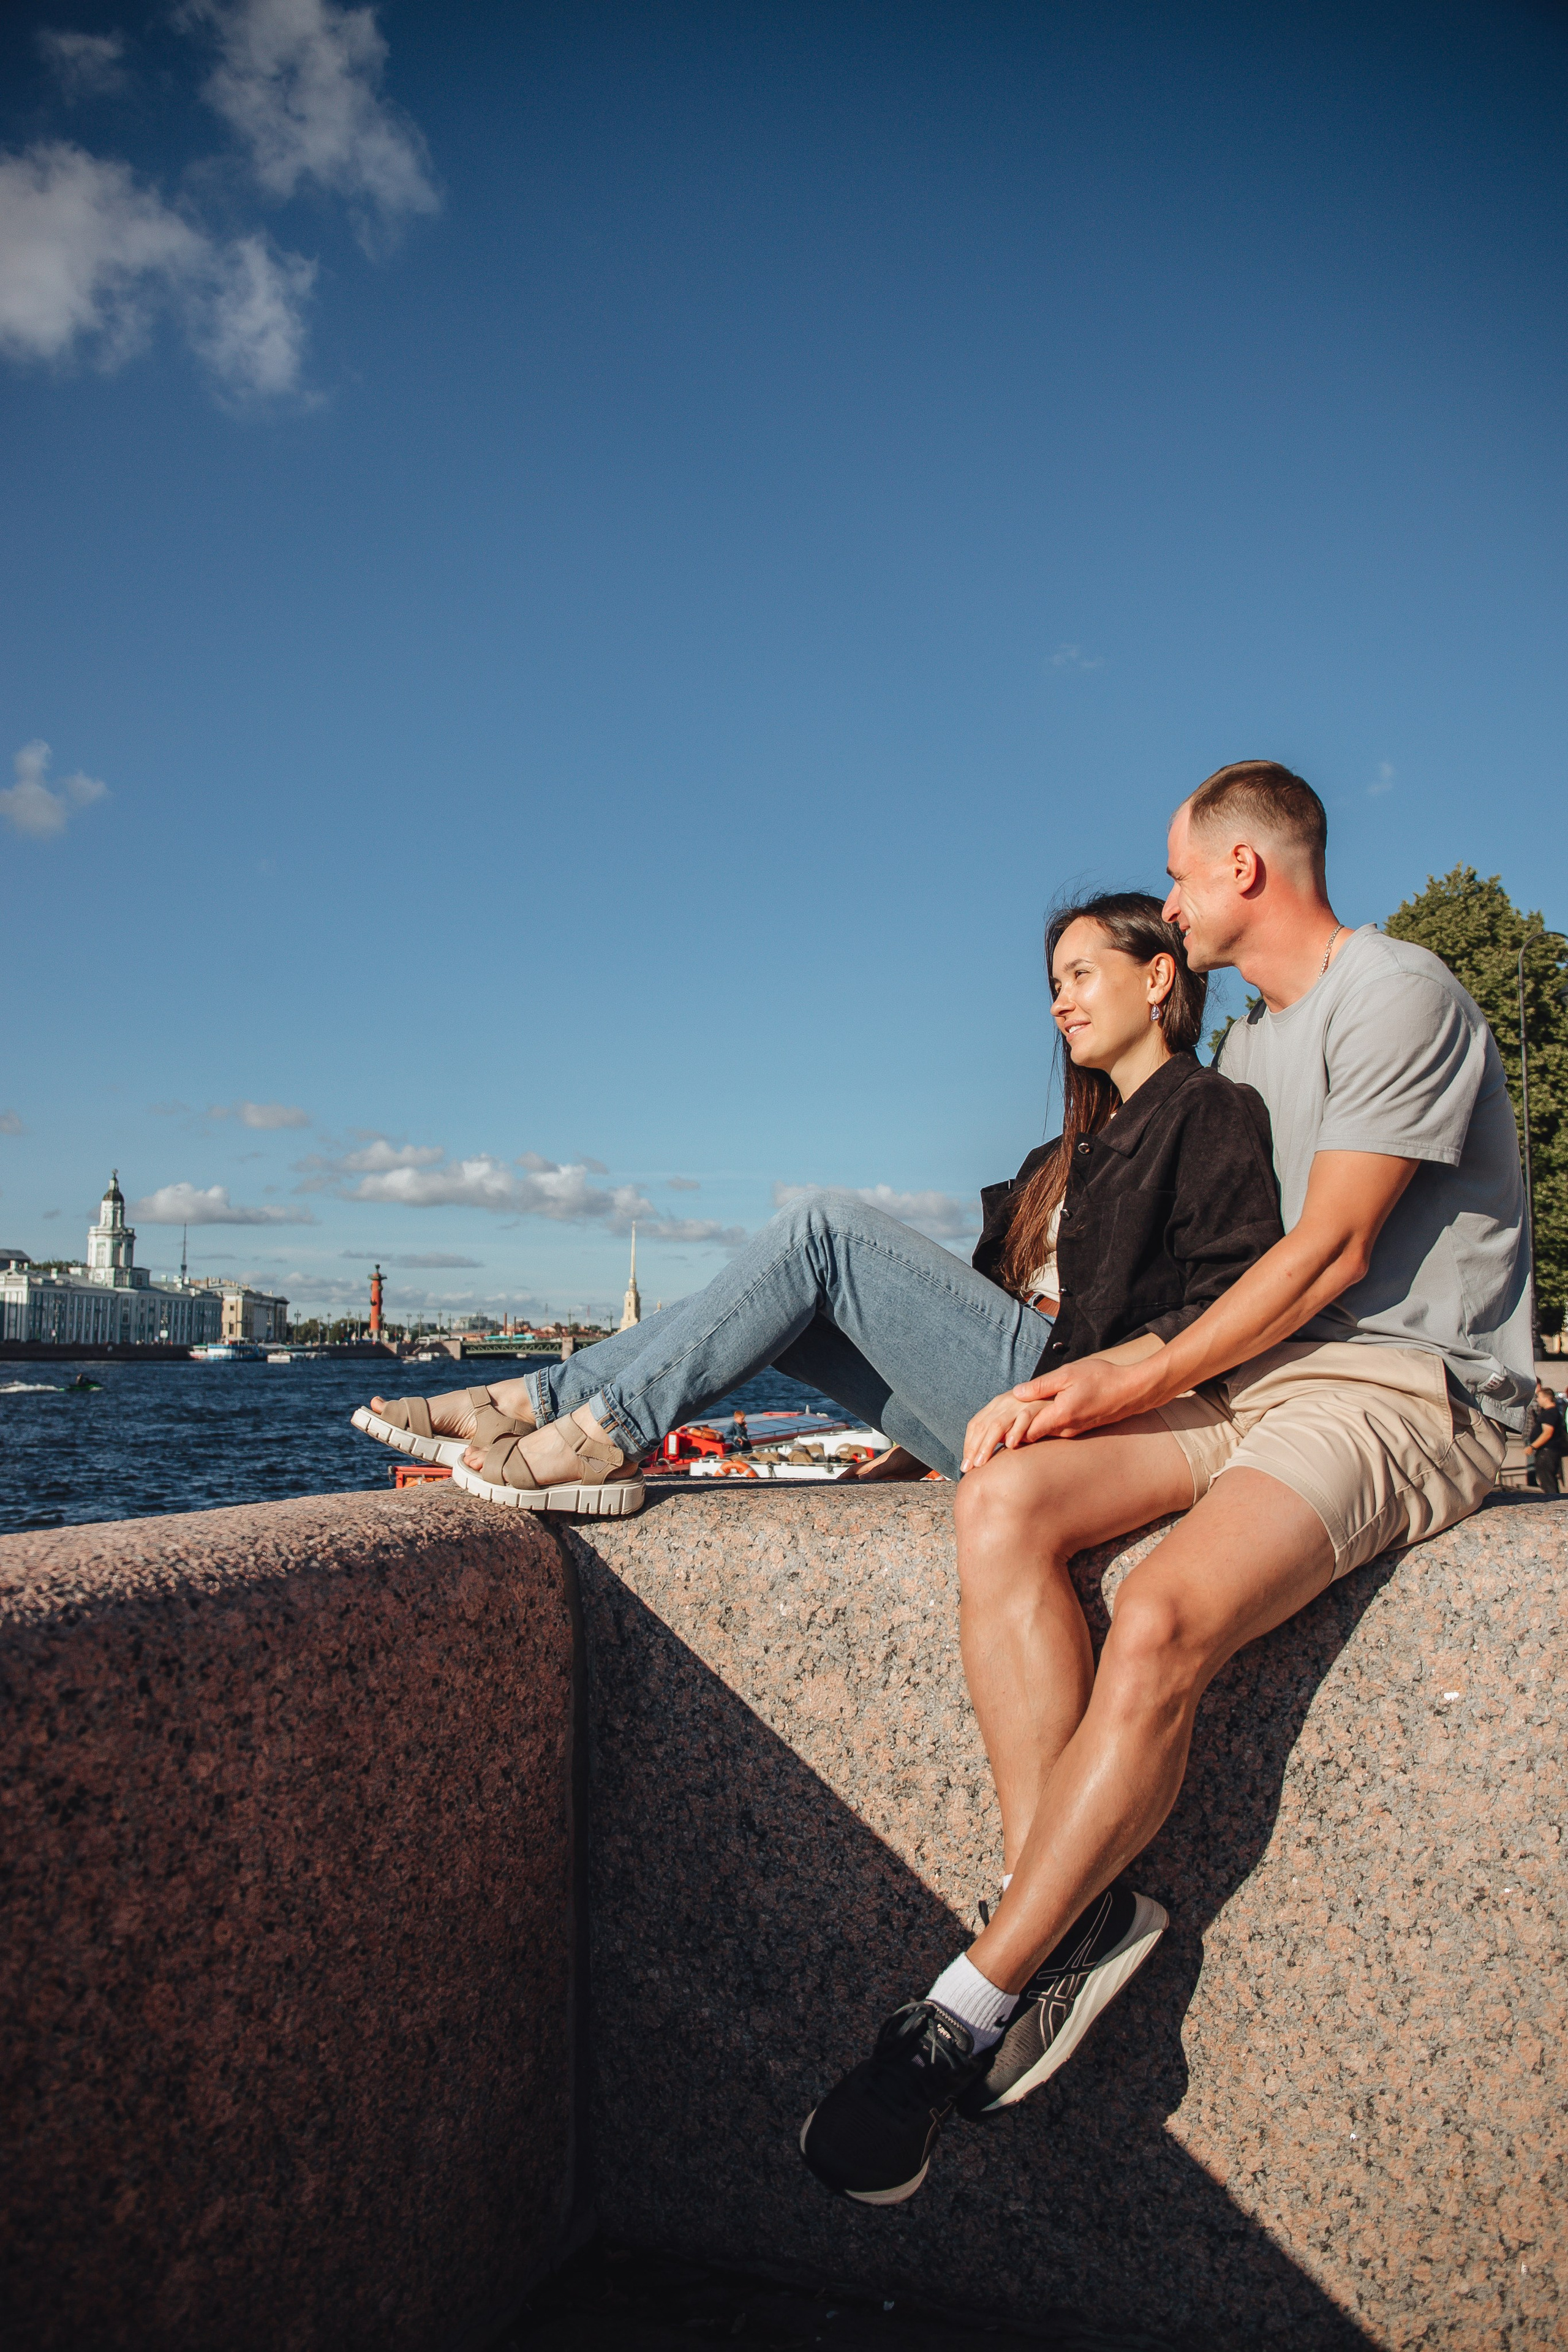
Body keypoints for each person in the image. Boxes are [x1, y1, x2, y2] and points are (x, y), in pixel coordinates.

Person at [799, 760, 1533, 2207]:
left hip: (1398, 1388)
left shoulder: (1396, 992)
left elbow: (1328, 1255)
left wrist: (1121, 1381)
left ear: (1242, 870)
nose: (1170, 901)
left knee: (1159, 1614)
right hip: (1246, 1384)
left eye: (1180, 875)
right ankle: (1067, 1923)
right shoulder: (1247, 1048)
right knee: (1001, 1498)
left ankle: (962, 2007)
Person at [352, 894, 1281, 1534]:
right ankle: (527, 1403)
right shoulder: (1056, 1158)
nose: (1059, 1004)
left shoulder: (1207, 1110)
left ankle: (592, 1432)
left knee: (823, 1229)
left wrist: (1104, 1385)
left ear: (1157, 978)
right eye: (1053, 985)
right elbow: (958, 1328)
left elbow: (1232, 1301)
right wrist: (909, 1452)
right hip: (999, 1414)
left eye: (1079, 976)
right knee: (765, 1303)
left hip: (1077, 1403)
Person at [1525, 1379, 1565, 1499]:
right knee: (1548, 1481)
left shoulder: (1550, 1413)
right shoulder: (1549, 1412)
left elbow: (1547, 1433)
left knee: (1548, 1482)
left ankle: (1554, 1502)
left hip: (1547, 1452)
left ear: (1546, 1398)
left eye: (1539, 1397)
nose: (1538, 1400)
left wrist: (1533, 1447)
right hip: (1548, 1451)